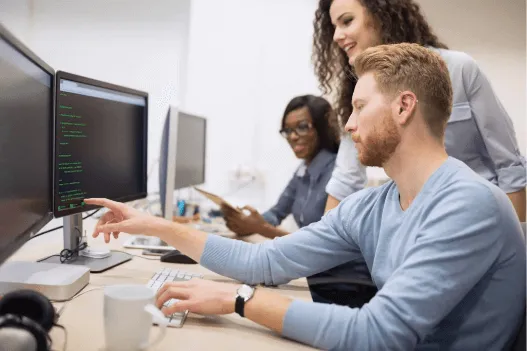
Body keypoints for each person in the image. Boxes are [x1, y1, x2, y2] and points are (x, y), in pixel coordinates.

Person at [86, 43, 525, 351]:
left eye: (359, 107)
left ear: (404, 107)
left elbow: (379, 335)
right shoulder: (372, 206)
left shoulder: (468, 204)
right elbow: (266, 262)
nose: (349, 126)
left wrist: (240, 300)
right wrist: (155, 225)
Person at [313, 0, 526, 221]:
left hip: (481, 217)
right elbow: (345, 178)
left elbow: (509, 165)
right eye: (333, 27)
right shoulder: (359, 92)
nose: (337, 36)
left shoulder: (459, 69)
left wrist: (517, 239)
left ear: (380, 15)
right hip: (420, 222)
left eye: (347, 21)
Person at [221, 94, 339, 239]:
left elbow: (322, 243)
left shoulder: (338, 174)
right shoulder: (303, 170)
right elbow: (276, 213)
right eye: (288, 130)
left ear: (322, 128)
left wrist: (259, 227)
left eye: (302, 127)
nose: (293, 137)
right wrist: (244, 223)